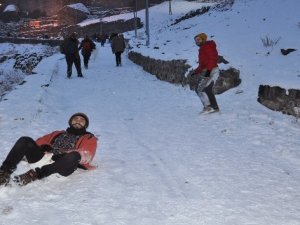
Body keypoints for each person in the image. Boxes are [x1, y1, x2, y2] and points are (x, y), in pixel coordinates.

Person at [0, 113, 98, 187]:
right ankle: (4, 173)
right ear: (70, 122)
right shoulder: (57, 133)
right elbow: (39, 141)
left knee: (75, 156)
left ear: (85, 125)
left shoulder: (89, 138)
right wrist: (45, 146)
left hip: (60, 166)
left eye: (82, 120)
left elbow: (87, 154)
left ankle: (35, 175)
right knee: (25, 140)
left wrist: (65, 154)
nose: (78, 120)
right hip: (44, 158)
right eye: (76, 118)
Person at [191, 33, 220, 114]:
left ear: (203, 39)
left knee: (202, 89)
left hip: (212, 70)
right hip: (208, 70)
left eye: (198, 39)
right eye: (196, 40)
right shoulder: (202, 49)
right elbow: (201, 65)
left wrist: (208, 71)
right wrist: (195, 71)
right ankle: (214, 108)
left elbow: (212, 59)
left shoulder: (208, 46)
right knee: (204, 89)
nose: (197, 41)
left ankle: (209, 107)